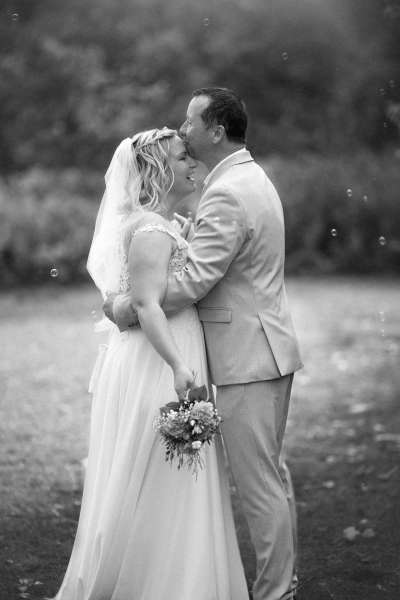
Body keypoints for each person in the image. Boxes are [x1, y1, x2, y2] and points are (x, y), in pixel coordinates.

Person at [108, 88, 303, 600]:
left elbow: (195, 280)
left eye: (190, 121)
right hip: (264, 348)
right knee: (270, 477)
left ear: (216, 130)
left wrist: (130, 306)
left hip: (248, 356)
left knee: (259, 485)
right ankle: (283, 585)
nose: (183, 130)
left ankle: (276, 593)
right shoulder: (247, 177)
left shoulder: (227, 191)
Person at [52, 128, 249, 600]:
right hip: (158, 358)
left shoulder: (162, 225)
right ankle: (157, 581)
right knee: (159, 465)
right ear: (160, 171)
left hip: (163, 351)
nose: (193, 163)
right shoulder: (151, 230)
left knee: (169, 465)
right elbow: (146, 306)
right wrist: (179, 365)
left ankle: (176, 574)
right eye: (182, 157)